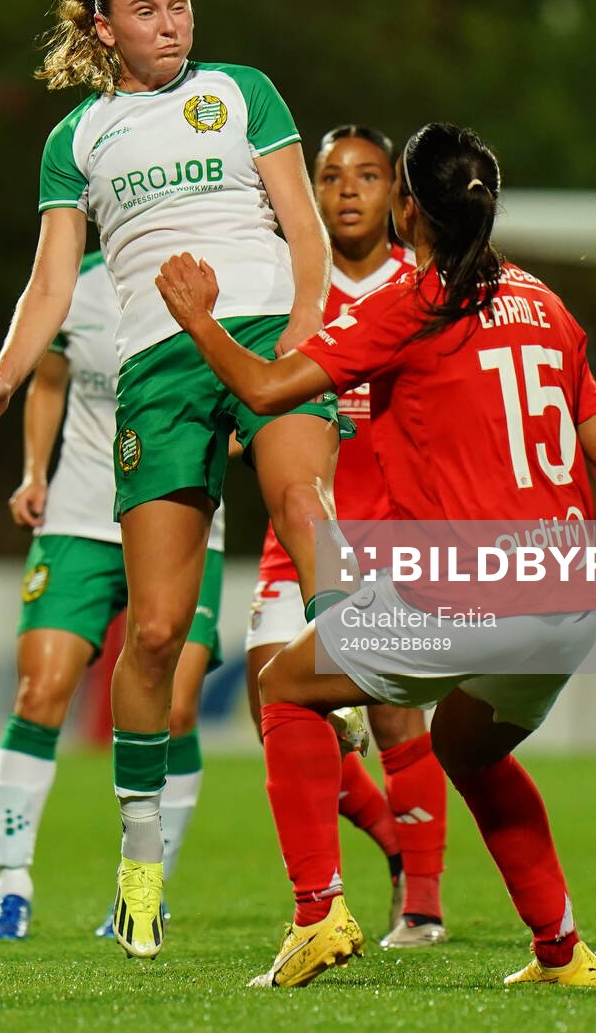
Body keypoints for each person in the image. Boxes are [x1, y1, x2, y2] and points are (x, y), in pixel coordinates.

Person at [152, 123, 596, 989]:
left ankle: (317, 914)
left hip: (469, 594)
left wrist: (197, 320)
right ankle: (562, 953)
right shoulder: (547, 305)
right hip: (563, 600)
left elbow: (265, 387)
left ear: (407, 209)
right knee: (469, 750)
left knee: (285, 688)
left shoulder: (414, 304)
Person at [0, 0, 339, 959]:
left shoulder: (242, 91)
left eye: (180, 2)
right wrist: (3, 377)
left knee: (302, 503)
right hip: (159, 370)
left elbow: (305, 231)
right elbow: (52, 284)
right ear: (104, 29)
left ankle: (345, 664)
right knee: (157, 635)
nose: (172, 23)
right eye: (148, 10)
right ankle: (139, 862)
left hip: (266, 332)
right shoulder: (78, 138)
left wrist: (306, 333)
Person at [0, 248, 228, 941]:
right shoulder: (74, 285)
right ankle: (11, 886)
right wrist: (35, 473)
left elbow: (252, 399)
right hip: (80, 516)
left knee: (178, 708)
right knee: (39, 691)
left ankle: (148, 885)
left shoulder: (218, 279)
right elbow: (50, 381)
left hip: (181, 514)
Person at [242, 124, 449, 950]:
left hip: (395, 526)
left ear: (397, 192)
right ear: (311, 192)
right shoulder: (291, 286)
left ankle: (422, 906)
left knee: (397, 717)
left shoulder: (424, 287)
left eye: (367, 174)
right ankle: (394, 842)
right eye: (330, 176)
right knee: (273, 704)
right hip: (303, 525)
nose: (348, 190)